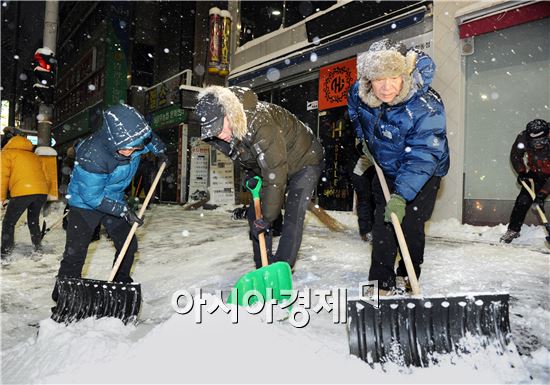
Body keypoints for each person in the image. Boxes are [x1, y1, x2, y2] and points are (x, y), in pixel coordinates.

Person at [347, 38, 450, 294]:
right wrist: (362, 139)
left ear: (404, 73)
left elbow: (423, 154)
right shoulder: (360, 92)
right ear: (369, 79)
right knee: (383, 223)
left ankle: (408, 273)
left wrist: (402, 195)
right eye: (378, 79)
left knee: (410, 223)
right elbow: (355, 111)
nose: (385, 86)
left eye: (393, 77)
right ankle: (381, 282)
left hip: (423, 170)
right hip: (386, 166)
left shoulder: (425, 106)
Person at [194, 86, 324, 270]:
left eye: (218, 128)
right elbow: (250, 156)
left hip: (305, 160)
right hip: (276, 163)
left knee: (292, 216)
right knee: (255, 216)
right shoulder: (222, 133)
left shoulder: (259, 123)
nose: (218, 135)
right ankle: (263, 266)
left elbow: (274, 172)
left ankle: (281, 269)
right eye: (212, 131)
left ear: (228, 113)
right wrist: (252, 174)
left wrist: (268, 217)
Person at [52, 103, 168, 301]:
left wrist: (162, 152)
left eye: (135, 147)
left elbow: (151, 141)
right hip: (85, 203)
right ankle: (65, 294)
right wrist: (123, 210)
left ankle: (120, 285)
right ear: (113, 139)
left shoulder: (135, 141)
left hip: (113, 196)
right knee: (76, 252)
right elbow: (92, 197)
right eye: (126, 148)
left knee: (127, 246)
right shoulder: (93, 154)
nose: (131, 152)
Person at [1, 135, 52, 258]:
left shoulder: (7, 154)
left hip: (23, 191)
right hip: (41, 192)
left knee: (9, 222)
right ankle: (37, 245)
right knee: (33, 220)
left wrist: (1, 197)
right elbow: (47, 176)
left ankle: (5, 251)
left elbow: (2, 176)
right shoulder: (35, 156)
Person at [500, 119, 550, 243]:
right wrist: (522, 171)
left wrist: (542, 195)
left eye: (541, 141)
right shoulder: (524, 138)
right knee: (523, 200)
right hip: (536, 172)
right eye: (535, 142)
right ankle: (513, 229)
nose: (538, 145)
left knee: (539, 198)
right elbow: (516, 155)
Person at [350, 142, 375, 242]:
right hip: (360, 173)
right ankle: (366, 231)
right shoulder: (368, 143)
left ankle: (376, 230)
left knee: (376, 202)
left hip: (372, 172)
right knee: (365, 200)